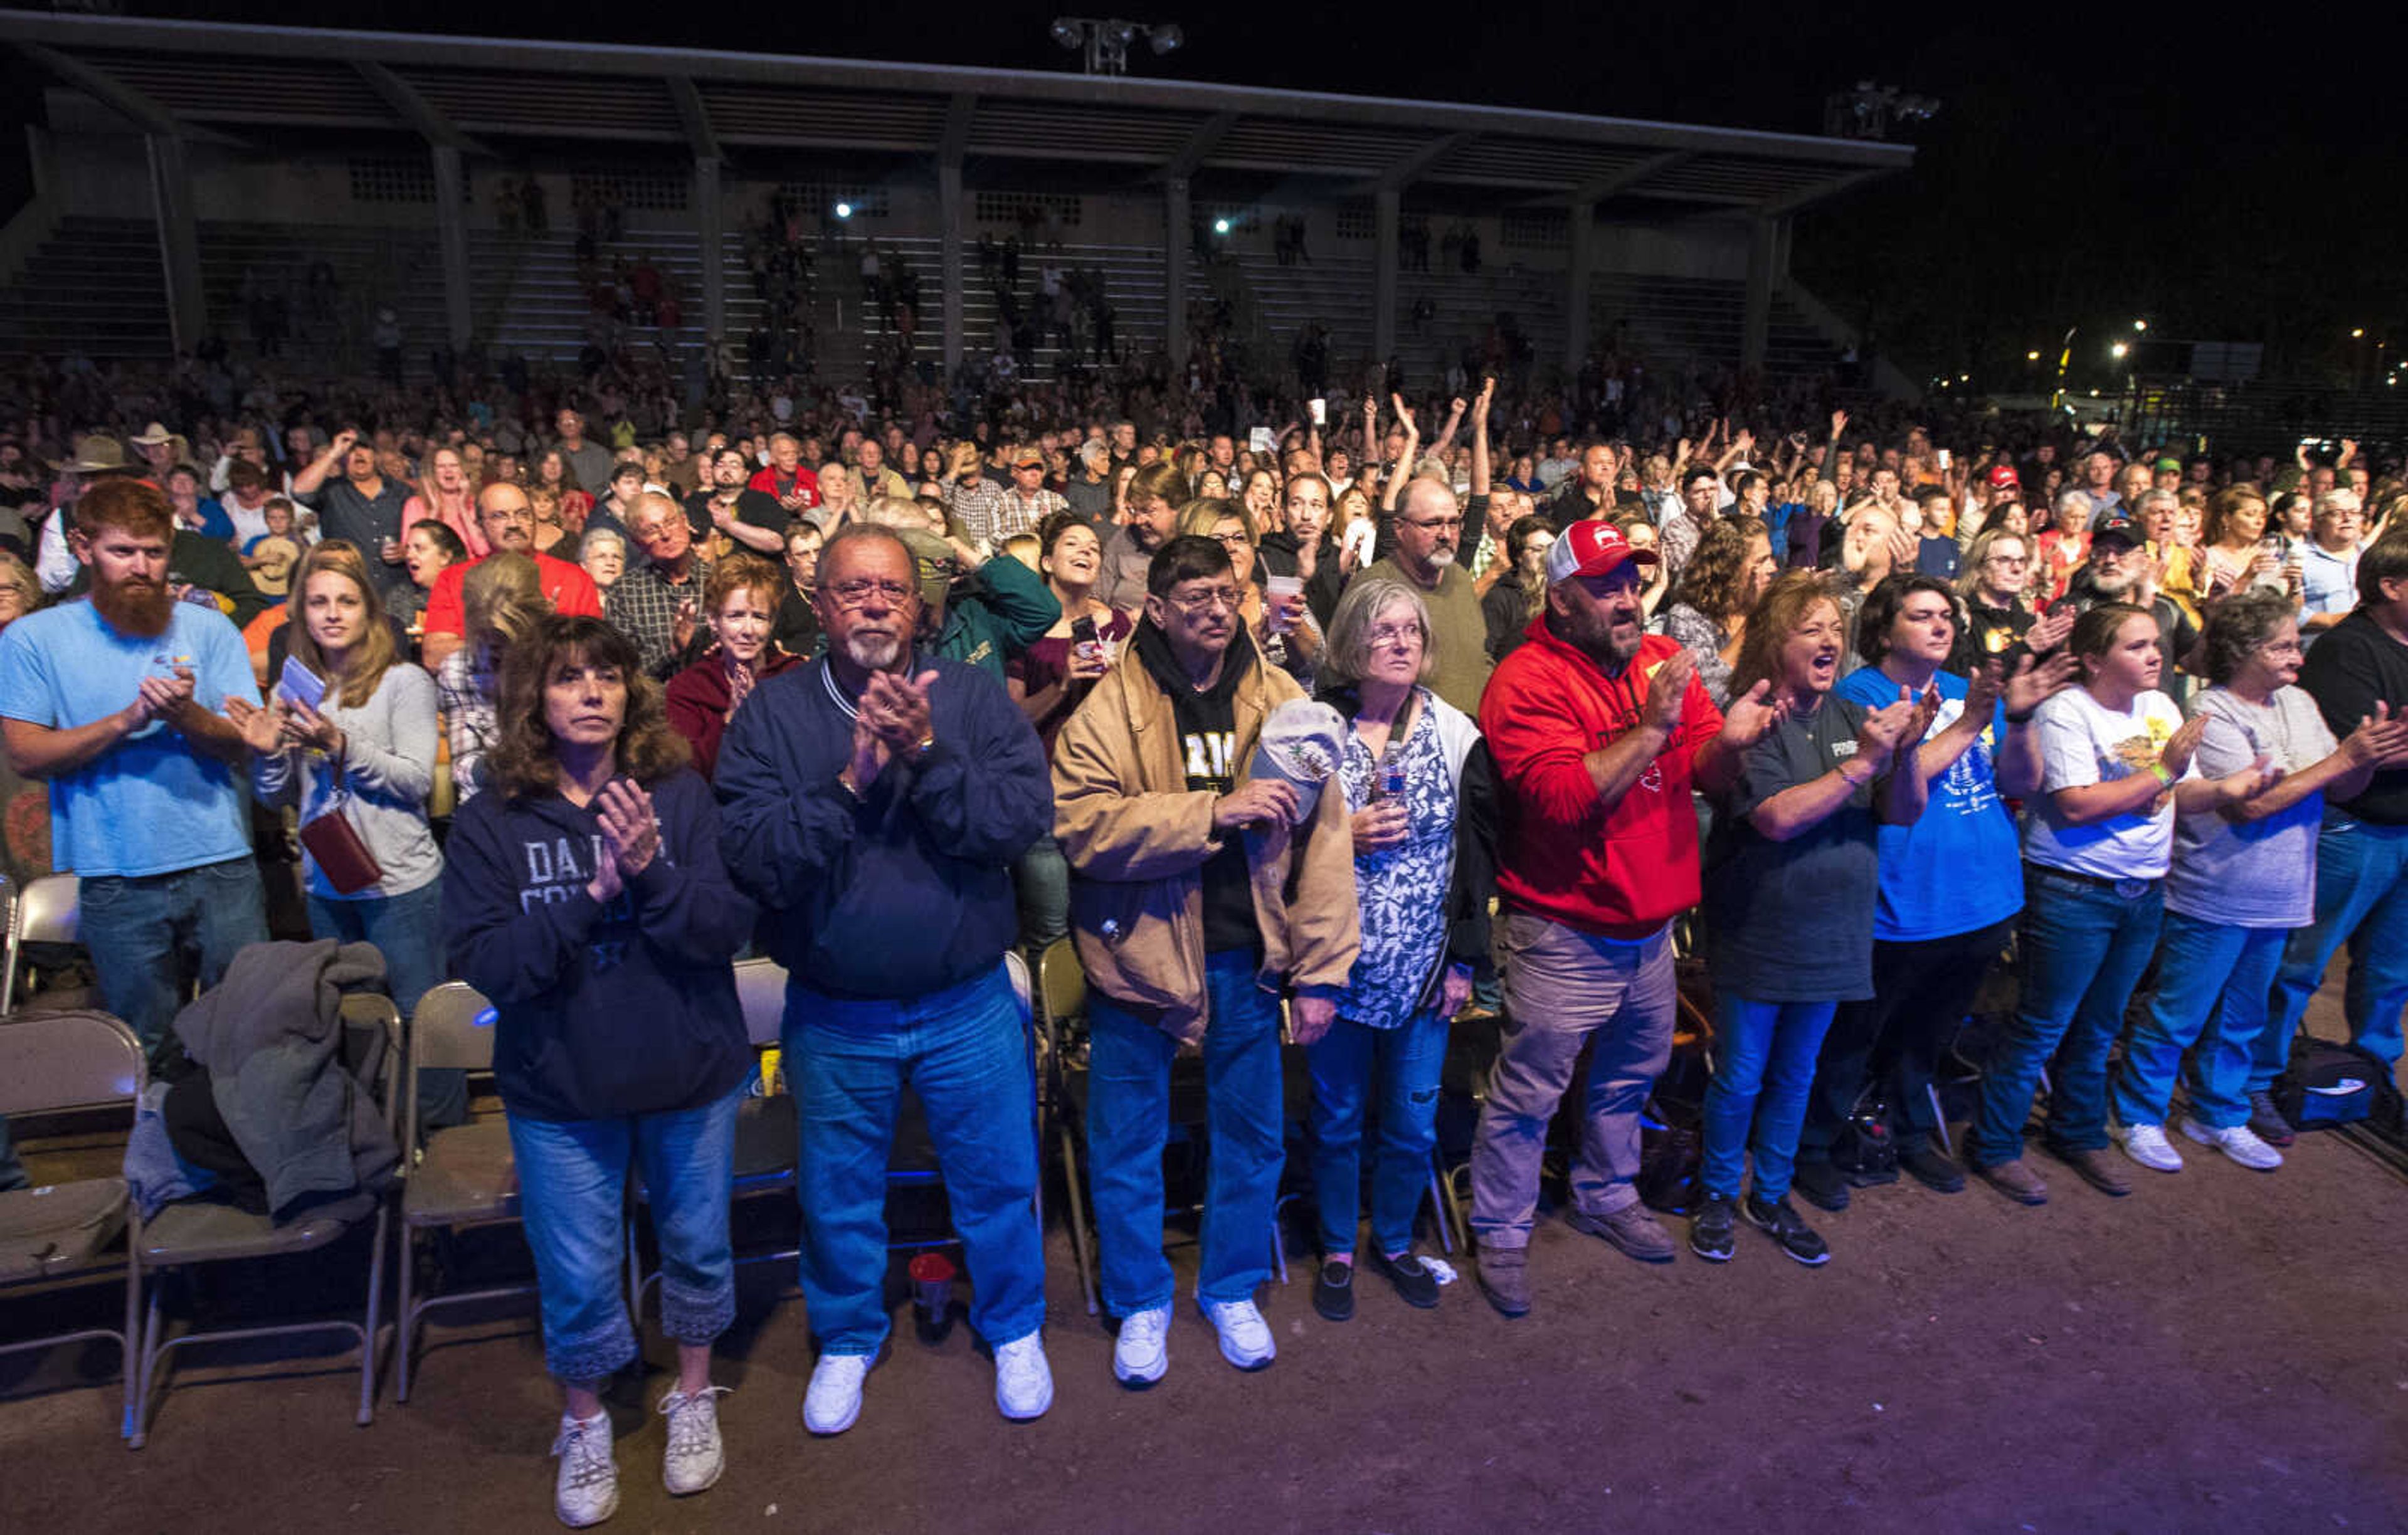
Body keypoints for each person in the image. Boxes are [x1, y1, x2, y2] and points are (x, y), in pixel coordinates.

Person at [716, 524, 1056, 1433]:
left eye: (894, 590)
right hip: (835, 1011)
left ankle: (1015, 1323)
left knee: (996, 1179)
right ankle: (846, 1339)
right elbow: (754, 862)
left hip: (967, 1001)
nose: (875, 603)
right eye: (854, 588)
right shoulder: (773, 718)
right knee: (838, 1196)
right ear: (820, 604)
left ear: (920, 607)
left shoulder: (978, 701)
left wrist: (931, 755)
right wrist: (849, 782)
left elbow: (1018, 824)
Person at [445, 615, 753, 1527]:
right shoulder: (490, 818)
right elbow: (493, 969)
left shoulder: (678, 795)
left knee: (696, 1248)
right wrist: (590, 898)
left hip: (687, 1069)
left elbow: (722, 932)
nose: (592, 693)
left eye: (608, 678)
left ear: (631, 695)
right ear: (535, 698)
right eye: (570, 677)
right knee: (577, 1273)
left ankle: (692, 1395)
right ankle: (583, 1421)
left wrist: (653, 869)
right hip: (559, 1085)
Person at [1050, 534, 1359, 1384]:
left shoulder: (1282, 695)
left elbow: (1327, 844)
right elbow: (1080, 828)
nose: (1217, 610)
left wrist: (1324, 970)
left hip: (1247, 957)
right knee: (1126, 1142)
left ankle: (1228, 1287)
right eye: (1195, 599)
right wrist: (1209, 815)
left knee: (1253, 1139)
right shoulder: (1110, 709)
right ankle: (1141, 1301)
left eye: (1227, 594)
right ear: (1155, 609)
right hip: (1137, 960)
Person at [1465, 520, 1773, 1314]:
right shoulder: (1525, 679)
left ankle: (1606, 1194)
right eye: (1606, 587)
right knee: (1530, 1092)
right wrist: (1652, 729)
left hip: (1651, 925)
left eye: (1634, 582)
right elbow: (1565, 800)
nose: (1628, 599)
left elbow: (1707, 765)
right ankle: (1501, 1228)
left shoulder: (1659, 662)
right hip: (1562, 929)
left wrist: (1732, 744)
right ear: (1561, 599)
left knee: (1628, 1079)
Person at [1795, 576, 2071, 1211]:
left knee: (1929, 1036)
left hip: (1984, 894)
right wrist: (1974, 720)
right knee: (1853, 1039)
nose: (1941, 626)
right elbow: (1895, 779)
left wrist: (2019, 717)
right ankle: (1816, 1145)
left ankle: (1910, 1132)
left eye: (1947, 615)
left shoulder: (1964, 691)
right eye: (1922, 616)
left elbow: (2020, 780)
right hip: (1904, 898)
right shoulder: (1859, 694)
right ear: (1885, 629)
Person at [2111, 591, 2408, 1174]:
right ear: (2245, 652)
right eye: (2283, 646)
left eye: (2296, 643)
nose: (2297, 655)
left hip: (2285, 889)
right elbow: (2247, 807)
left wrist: (2366, 758)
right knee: (2180, 1013)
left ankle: (2218, 1114)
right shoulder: (2212, 711)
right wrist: (2343, 760)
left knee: (2244, 1017)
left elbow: (2340, 790)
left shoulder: (2297, 702)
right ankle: (2138, 1115)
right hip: (2217, 892)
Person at [1688, 575, 1931, 1266]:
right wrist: (1864, 765)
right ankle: (1715, 1194)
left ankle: (1769, 1194)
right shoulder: (1757, 715)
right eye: (1811, 630)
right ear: (1776, 643)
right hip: (1762, 934)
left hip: (1835, 935)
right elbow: (1774, 818)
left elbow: (1905, 811)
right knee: (1740, 1076)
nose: (1830, 641)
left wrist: (1906, 749)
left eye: (1835, 629)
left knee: (1797, 1076)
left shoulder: (1852, 716)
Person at [0, 477, 268, 1057]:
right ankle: (163, 1147)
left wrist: (186, 715)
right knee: (146, 1043)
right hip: (115, 870)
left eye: (155, 552)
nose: (142, 567)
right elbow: (25, 752)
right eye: (123, 552)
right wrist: (128, 720)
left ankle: (237, 1145)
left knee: (247, 1031)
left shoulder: (209, 628)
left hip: (220, 860)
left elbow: (245, 743)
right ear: (82, 547)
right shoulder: (33, 638)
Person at [1966, 603, 2207, 1205]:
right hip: (2076, 889)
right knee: (2041, 1027)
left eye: (2155, 643)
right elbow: (2075, 804)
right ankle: (1996, 1146)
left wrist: (2262, 784)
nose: (2155, 655)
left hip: (2144, 887)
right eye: (2136, 646)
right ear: (2096, 659)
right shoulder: (2066, 711)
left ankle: (2077, 1132)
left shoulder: (2161, 706)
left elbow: (2186, 787)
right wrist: (2160, 774)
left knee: (2101, 1026)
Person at [1304, 577, 1492, 1322]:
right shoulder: (1318, 727)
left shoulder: (1457, 732)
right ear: (1353, 641)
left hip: (1423, 970)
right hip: (1338, 966)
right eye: (1384, 631)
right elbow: (1278, 837)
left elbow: (1478, 856)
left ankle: (1393, 1240)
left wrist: (1466, 960)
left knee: (1411, 1124)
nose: (1402, 642)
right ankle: (1337, 1249)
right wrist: (1339, 836)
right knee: (1338, 1118)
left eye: (1412, 630)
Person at [226, 541, 457, 1126]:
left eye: (347, 601)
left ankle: (441, 1145)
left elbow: (413, 783)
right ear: (301, 613)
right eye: (318, 602)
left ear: (369, 611)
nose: (332, 613)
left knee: (422, 1021)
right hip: (329, 884)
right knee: (355, 1019)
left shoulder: (403, 682)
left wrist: (340, 744)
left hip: (401, 886)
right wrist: (263, 754)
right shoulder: (293, 689)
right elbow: (278, 795)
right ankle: (378, 1142)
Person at [2261, 530, 2408, 1136]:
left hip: (2402, 832)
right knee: (2301, 965)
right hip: (2354, 830)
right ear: (2391, 587)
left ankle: (2371, 1074)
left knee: (2392, 971)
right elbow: (2355, 753)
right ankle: (2263, 1078)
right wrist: (2375, 750)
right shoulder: (2347, 650)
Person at [421, 483, 604, 673]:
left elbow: (593, 653)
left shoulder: (574, 578)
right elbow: (434, 657)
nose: (514, 524)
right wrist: (539, 639)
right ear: (479, 525)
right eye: (500, 516)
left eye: (523, 514)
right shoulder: (453, 578)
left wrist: (487, 646)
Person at [1358, 477, 1492, 717]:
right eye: (1432, 524)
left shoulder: (1460, 578)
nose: (1446, 534)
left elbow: (1477, 658)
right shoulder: (1373, 587)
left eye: (1453, 523)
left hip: (1474, 741)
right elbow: (1346, 677)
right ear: (1399, 528)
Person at [664, 553, 798, 780]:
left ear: (772, 623)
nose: (748, 630)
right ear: (713, 621)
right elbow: (690, 774)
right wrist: (731, 720)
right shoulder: (689, 688)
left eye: (759, 617)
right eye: (735, 616)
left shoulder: (794, 676)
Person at [437, 551, 552, 805]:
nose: (499, 652)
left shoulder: (564, 663)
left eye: (511, 641)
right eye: (488, 640)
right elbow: (464, 770)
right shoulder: (459, 670)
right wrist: (513, 766)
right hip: (491, 806)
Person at [1656, 515, 1776, 709]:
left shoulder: (1771, 609)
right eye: (1761, 561)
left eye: (1771, 557)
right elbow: (1710, 696)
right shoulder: (1686, 619)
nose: (1773, 568)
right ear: (1730, 569)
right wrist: (1754, 619)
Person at [290, 428, 413, 592]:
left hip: (395, 589)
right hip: (349, 587)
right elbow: (299, 491)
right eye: (351, 451)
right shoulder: (333, 491)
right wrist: (333, 453)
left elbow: (418, 533)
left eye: (365, 448)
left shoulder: (401, 491)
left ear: (375, 456)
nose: (359, 454)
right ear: (343, 459)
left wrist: (406, 550)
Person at [608, 493, 712, 680]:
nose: (666, 534)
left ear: (685, 521)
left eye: (670, 522)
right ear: (638, 543)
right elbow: (623, 674)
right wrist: (671, 651)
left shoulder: (720, 580)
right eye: (651, 530)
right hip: (656, 704)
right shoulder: (624, 593)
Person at [1092, 460, 1183, 613]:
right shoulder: (1123, 539)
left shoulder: (1198, 545)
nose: (1138, 521)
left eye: (1148, 511)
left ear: (1178, 508)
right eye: (1135, 511)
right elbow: (1094, 601)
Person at [1481, 516, 1555, 663]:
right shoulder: (1499, 598)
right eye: (1538, 550)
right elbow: (1484, 655)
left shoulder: (1561, 595)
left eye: (1552, 548)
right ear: (1519, 556)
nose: (1547, 556)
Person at [393, 519, 466, 636]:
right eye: (408, 548)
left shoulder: (468, 597)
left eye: (419, 548)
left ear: (445, 557)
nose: (409, 555)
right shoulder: (399, 597)